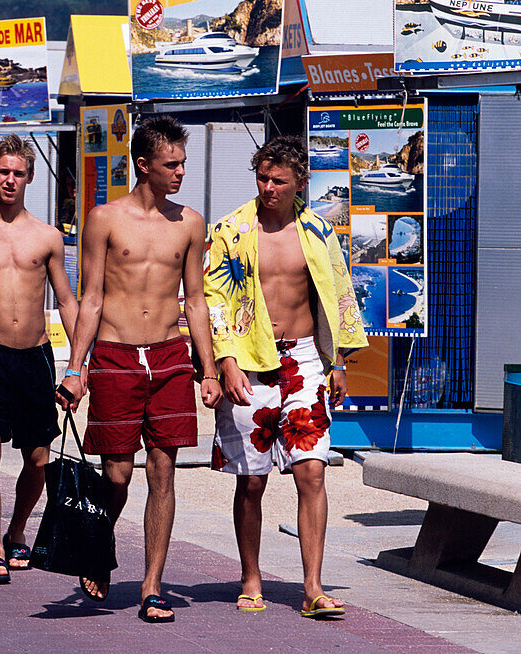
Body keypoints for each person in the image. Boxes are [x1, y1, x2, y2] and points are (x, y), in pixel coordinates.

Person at [57, 116, 222, 622]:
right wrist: (74, 368)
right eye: (171, 164)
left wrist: (208, 370)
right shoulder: (104, 219)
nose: (180, 172)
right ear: (144, 164)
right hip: (115, 355)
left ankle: (152, 584)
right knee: (118, 474)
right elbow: (91, 299)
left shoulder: (190, 223)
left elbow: (195, 300)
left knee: (163, 470)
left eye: (184, 163)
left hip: (171, 357)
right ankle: (100, 546)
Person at [204, 135, 367, 617]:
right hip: (249, 361)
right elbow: (215, 300)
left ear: (300, 183)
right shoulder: (231, 230)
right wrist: (225, 362)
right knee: (251, 481)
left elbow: (336, 294)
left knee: (311, 469)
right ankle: (251, 577)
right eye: (262, 177)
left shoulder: (316, 231)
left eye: (279, 180)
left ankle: (312, 587)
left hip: (305, 360)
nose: (269, 187)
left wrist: (337, 360)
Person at [0, 135, 79, 584]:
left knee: (39, 458)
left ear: (29, 177)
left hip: (36, 358)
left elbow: (66, 299)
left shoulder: (47, 237)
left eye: (17, 173)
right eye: (2, 171)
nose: (9, 179)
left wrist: (79, 366)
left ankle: (17, 530)